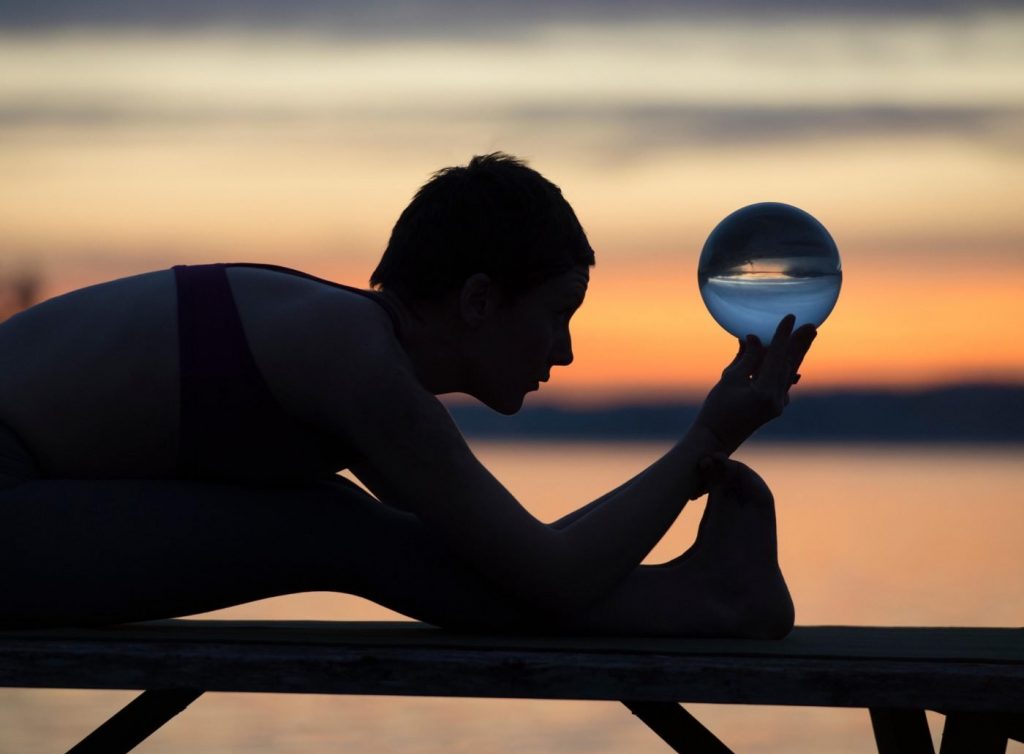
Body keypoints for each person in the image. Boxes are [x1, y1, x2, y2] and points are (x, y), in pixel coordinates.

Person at [0, 153, 815, 636]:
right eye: (557, 316)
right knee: (334, 526)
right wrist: (705, 443)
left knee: (355, 528)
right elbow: (550, 575)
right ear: (478, 300)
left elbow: (507, 560)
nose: (565, 352)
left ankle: (707, 595)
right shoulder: (355, 363)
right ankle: (706, 598)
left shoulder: (341, 342)